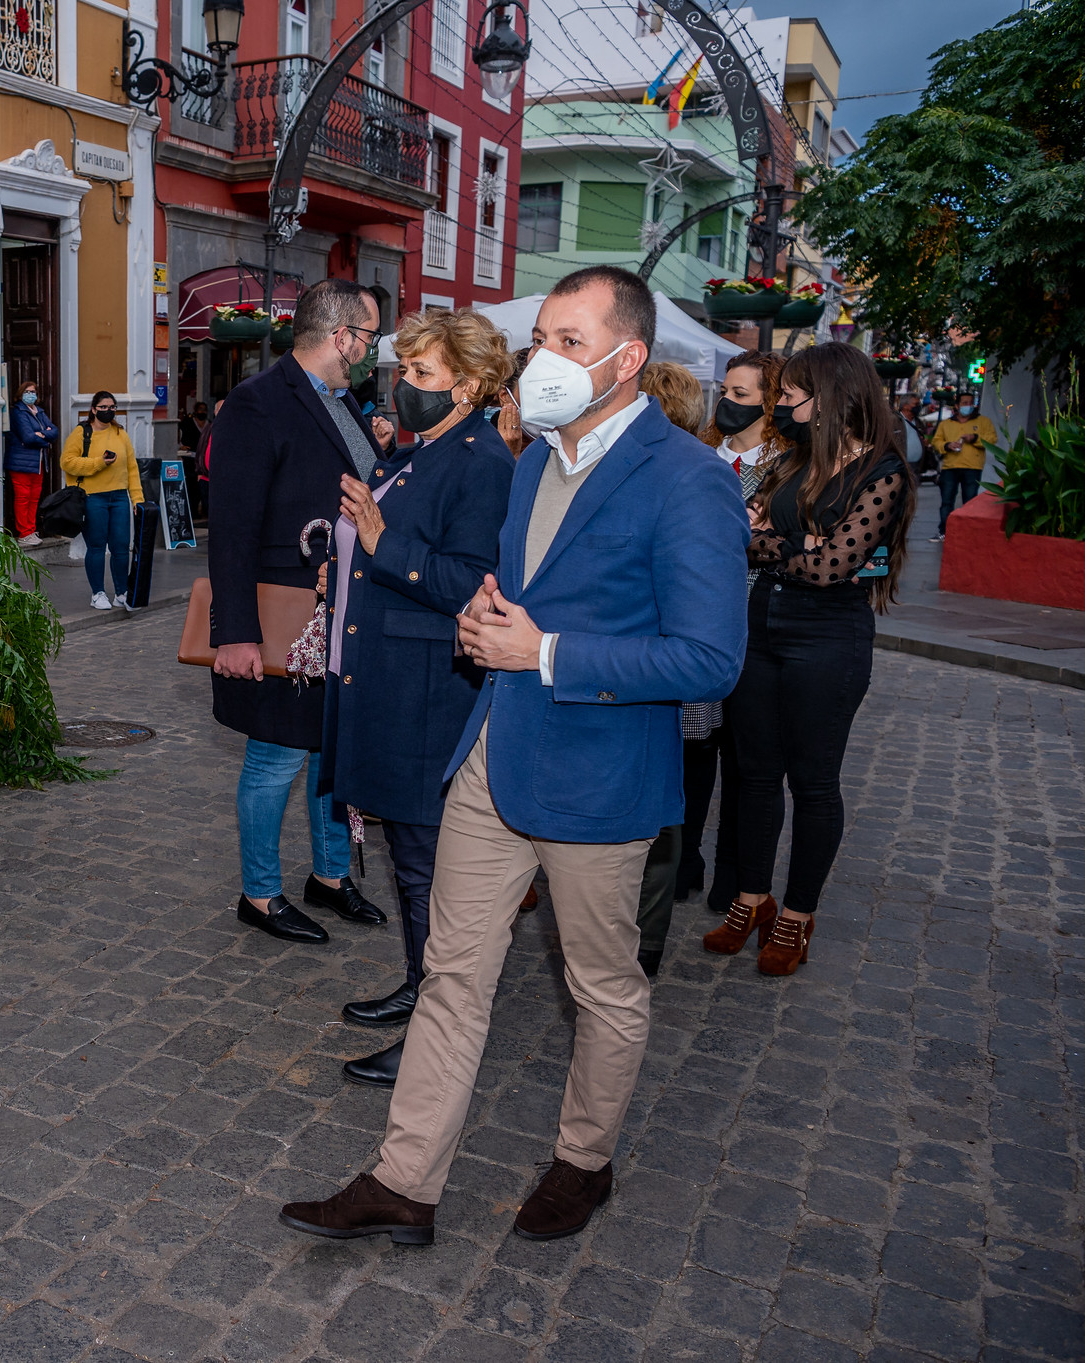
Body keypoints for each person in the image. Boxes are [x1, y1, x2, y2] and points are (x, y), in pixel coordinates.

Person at [279, 265, 747, 1248]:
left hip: (599, 775)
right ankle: (404, 1182)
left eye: (568, 343)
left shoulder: (686, 477)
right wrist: (483, 623)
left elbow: (709, 656)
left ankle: (584, 1159)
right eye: (540, 338)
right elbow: (513, 589)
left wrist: (539, 651)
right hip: (493, 753)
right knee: (451, 971)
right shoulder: (532, 458)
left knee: (600, 984)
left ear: (627, 361)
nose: (544, 359)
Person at [319, 307, 516, 1088]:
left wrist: (379, 545)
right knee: (408, 860)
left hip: (430, 693)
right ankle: (418, 983)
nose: (405, 385)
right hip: (390, 681)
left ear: (468, 388)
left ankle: (437, 1030)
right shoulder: (417, 449)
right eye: (403, 370)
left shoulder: (481, 463)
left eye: (422, 374)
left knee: (428, 864)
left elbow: (471, 582)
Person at [706, 342, 911, 975]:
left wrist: (780, 544)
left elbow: (832, 569)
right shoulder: (792, 462)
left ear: (831, 395)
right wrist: (795, 542)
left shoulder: (883, 472)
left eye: (793, 393)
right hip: (760, 627)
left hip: (828, 639)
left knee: (814, 783)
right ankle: (750, 900)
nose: (784, 403)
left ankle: (797, 915)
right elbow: (741, 533)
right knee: (756, 775)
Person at [209, 278, 389, 945]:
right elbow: (230, 528)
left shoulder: (345, 402)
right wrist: (235, 633)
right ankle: (259, 894)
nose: (372, 351)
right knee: (275, 760)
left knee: (329, 754)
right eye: (368, 336)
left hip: (338, 614)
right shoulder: (257, 404)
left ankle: (331, 877)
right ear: (341, 336)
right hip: (282, 619)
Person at [685, 351, 786, 919]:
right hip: (696, 619)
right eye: (726, 389)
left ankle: (734, 881)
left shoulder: (784, 468)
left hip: (753, 622)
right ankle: (682, 862)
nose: (727, 401)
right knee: (693, 748)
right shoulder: (699, 454)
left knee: (747, 763)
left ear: (769, 406)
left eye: (743, 395)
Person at [626, 361, 709, 978]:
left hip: (664, 673)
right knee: (659, 810)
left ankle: (646, 940)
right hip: (632, 671)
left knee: (662, 812)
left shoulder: (691, 478)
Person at [59, 391, 144, 611]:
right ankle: (97, 593)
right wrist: (99, 463)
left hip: (119, 497)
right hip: (92, 497)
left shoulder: (120, 434)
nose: (108, 411)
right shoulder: (81, 433)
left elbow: (132, 468)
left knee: (121, 547)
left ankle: (121, 593)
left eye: (112, 407)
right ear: (94, 409)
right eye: (104, 407)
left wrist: (137, 499)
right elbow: (67, 462)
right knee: (96, 546)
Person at [928, 398, 998, 541]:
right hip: (950, 467)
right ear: (957, 406)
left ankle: (967, 532)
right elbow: (936, 441)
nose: (968, 406)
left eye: (971, 403)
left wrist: (975, 438)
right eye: (965, 403)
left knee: (970, 501)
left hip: (972, 467)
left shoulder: (983, 422)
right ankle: (945, 532)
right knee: (947, 501)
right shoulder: (946, 424)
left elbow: (992, 439)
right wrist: (947, 446)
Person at [5, 381, 59, 548]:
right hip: (21, 463)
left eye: (33, 391)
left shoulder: (39, 412)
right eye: (27, 391)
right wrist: (45, 437)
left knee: (34, 498)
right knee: (23, 498)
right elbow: (27, 437)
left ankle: (31, 529)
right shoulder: (18, 412)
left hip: (38, 463)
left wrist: (40, 434)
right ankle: (24, 533)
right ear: (20, 394)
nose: (31, 394)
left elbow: (55, 431)